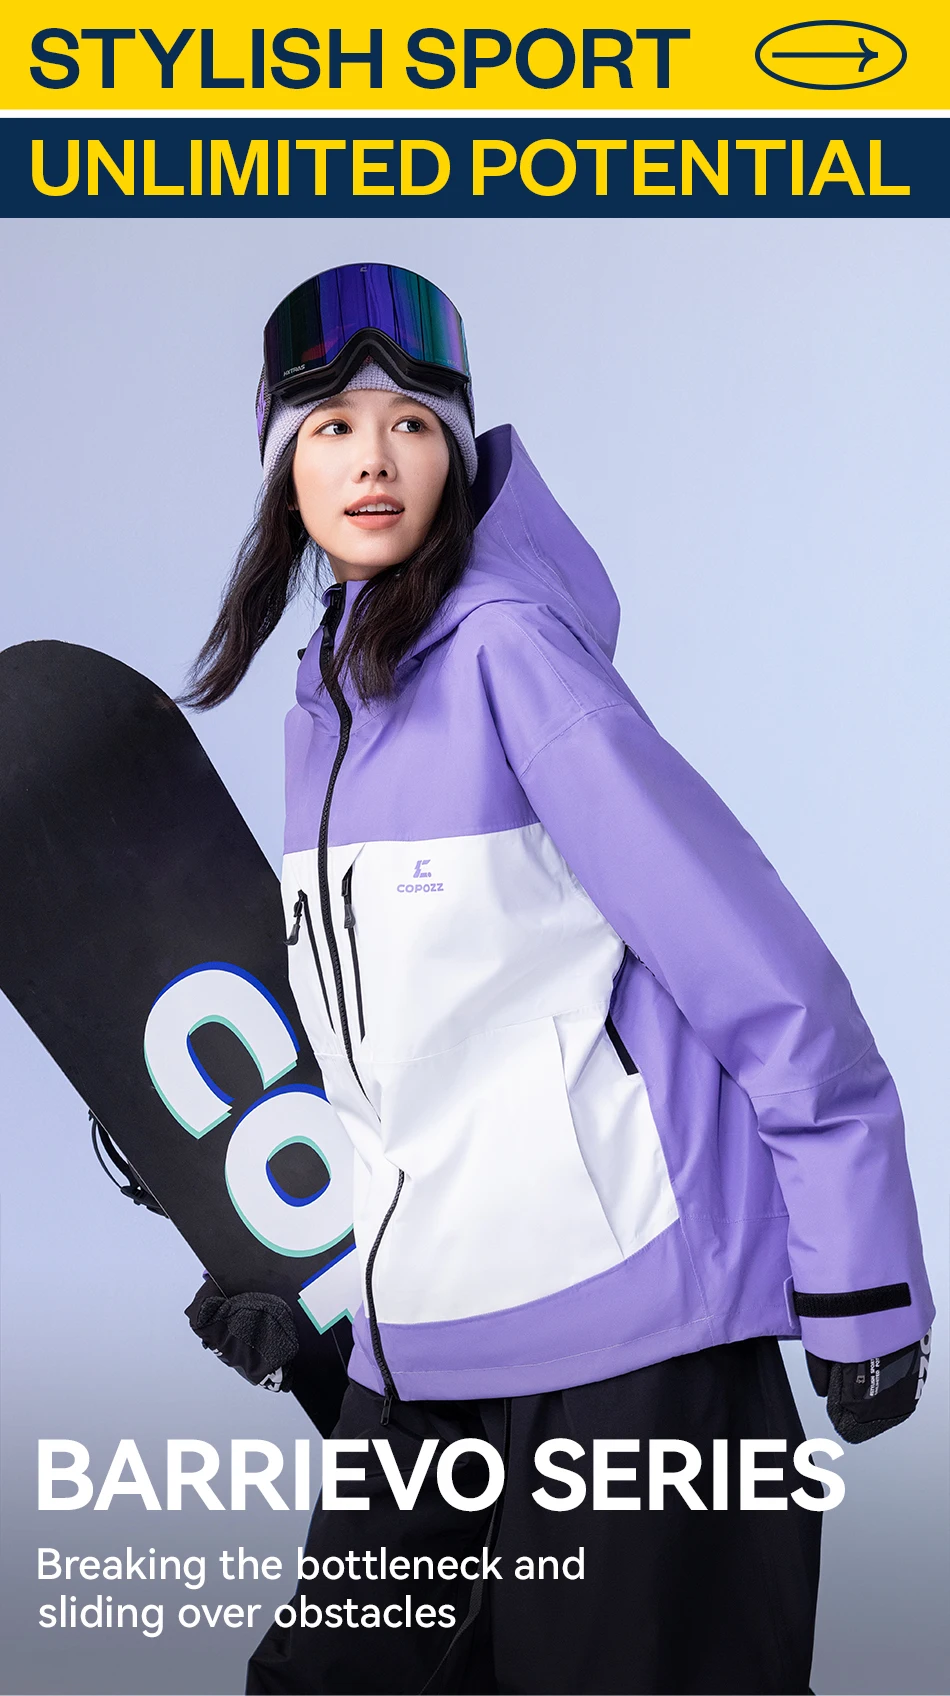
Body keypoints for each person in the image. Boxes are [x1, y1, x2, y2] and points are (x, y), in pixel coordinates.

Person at [184, 262, 933, 1695]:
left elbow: (756, 967)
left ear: (457, 455)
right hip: (430, 1357)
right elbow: (411, 1061)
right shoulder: (323, 712)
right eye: (331, 427)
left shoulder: (513, 658)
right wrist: (317, 1295)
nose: (372, 459)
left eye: (410, 423)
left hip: (638, 1348)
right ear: (283, 470)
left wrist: (862, 1282)